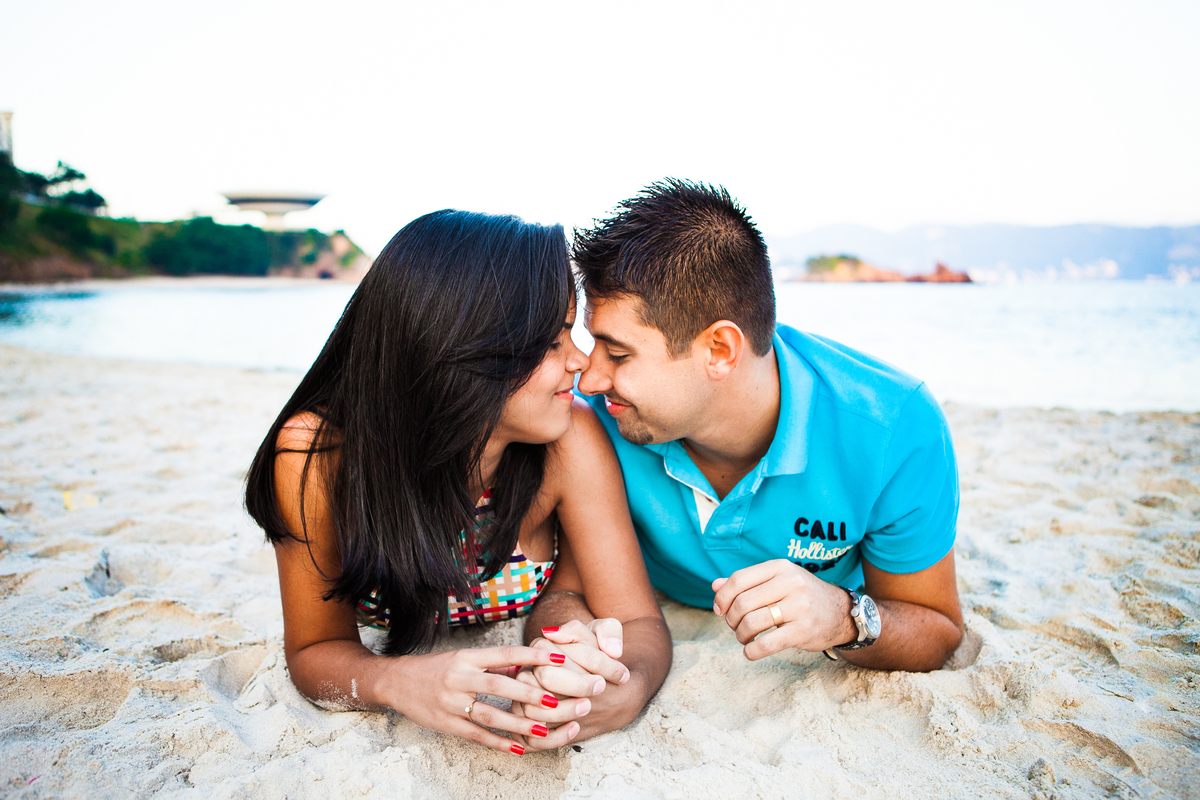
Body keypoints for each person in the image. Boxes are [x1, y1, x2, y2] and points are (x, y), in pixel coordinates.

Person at [244, 210, 670, 755]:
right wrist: (398, 682)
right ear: (469, 351)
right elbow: (314, 650)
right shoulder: (317, 455)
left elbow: (636, 620)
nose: (583, 363)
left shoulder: (570, 437)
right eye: (555, 340)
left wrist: (620, 688)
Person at [528, 179, 963, 674]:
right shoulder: (588, 415)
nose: (590, 375)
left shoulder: (895, 430)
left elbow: (938, 627)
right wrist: (570, 646)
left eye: (619, 354)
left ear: (719, 351)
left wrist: (843, 618)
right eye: (594, 343)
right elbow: (565, 589)